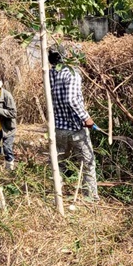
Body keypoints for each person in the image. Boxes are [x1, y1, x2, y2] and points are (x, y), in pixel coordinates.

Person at [48, 44, 98, 201]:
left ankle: (58, 196)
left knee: (59, 163)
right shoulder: (72, 73)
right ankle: (91, 198)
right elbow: (71, 99)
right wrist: (86, 118)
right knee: (88, 163)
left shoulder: (50, 73)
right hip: (75, 129)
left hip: (58, 129)